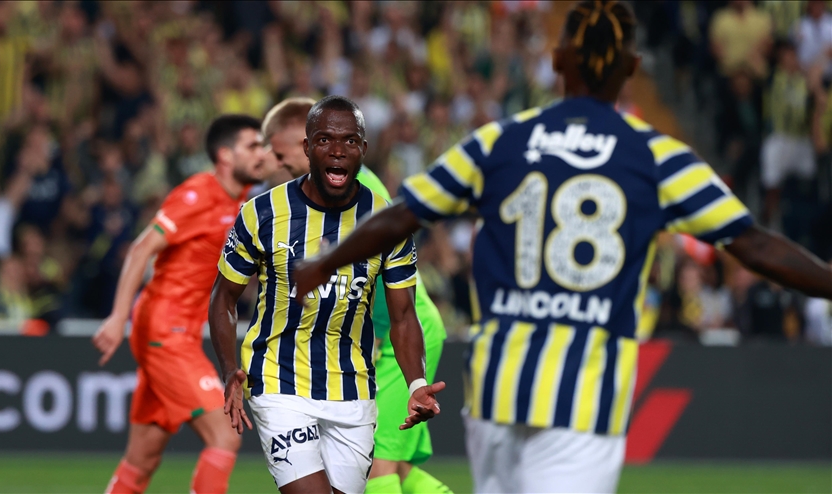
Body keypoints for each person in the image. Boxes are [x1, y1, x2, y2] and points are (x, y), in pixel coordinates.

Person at [292, 2, 832, 493]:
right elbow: (754, 245)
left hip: (497, 391)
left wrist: (325, 262)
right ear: (632, 67)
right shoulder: (656, 157)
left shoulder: (498, 141)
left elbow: (403, 214)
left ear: (557, 61)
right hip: (583, 399)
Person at [208, 96, 445, 494]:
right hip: (278, 379)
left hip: (353, 388)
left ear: (363, 149)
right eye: (324, 140)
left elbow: (404, 315)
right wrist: (229, 367)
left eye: (349, 141)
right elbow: (224, 296)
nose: (337, 150)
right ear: (307, 147)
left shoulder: (386, 221)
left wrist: (415, 382)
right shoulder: (263, 213)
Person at [91, 115, 270, 494]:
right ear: (225, 155)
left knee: (142, 460)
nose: (262, 154)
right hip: (165, 331)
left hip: (178, 333)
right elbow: (141, 249)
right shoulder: (198, 194)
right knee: (226, 435)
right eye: (253, 146)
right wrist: (117, 317)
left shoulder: (240, 201)